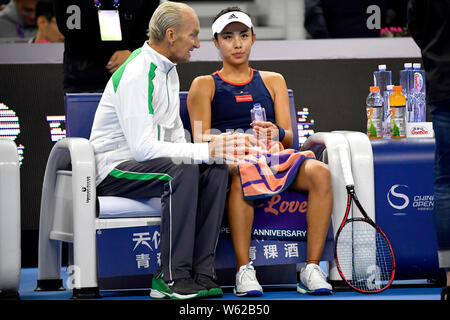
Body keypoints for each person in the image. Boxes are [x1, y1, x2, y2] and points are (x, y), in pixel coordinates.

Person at [89, 1, 257, 301]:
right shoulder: (139, 71)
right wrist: (203, 151)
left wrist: (213, 154)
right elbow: (142, 149)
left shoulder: (169, 70)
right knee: (182, 170)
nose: (197, 43)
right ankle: (170, 277)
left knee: (216, 168)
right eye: (192, 35)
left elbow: (177, 141)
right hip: (113, 167)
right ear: (170, 35)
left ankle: (201, 273)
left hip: (148, 165)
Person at [187, 7, 333, 297]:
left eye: (243, 35)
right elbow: (200, 137)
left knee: (320, 172)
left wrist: (275, 132)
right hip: (233, 161)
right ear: (216, 42)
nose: (237, 43)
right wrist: (235, 141)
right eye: (228, 37)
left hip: (274, 158)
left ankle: (312, 268)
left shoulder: (273, 80)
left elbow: (289, 137)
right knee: (245, 170)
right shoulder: (203, 85)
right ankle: (244, 270)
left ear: (253, 38)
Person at [408, 0, 450, 302]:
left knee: (447, 179)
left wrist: (437, 52)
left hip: (442, 82)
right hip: (442, 83)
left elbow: (416, 23)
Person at [53, 0, 158, 93]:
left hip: (131, 79)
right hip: (82, 79)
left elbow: (151, 25)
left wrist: (133, 53)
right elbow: (68, 28)